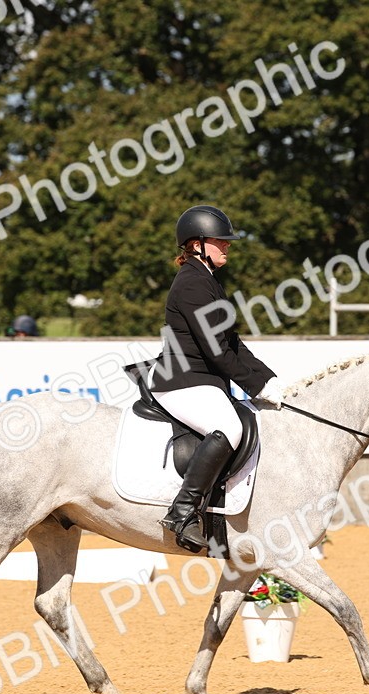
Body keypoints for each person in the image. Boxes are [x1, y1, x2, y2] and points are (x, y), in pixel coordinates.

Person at [150, 205, 287, 553]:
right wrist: (255, 386)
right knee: (230, 427)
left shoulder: (208, 281)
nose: (227, 246)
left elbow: (233, 344)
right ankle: (182, 512)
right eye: (219, 241)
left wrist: (269, 380)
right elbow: (217, 353)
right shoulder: (191, 284)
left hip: (202, 381)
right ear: (196, 245)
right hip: (181, 381)